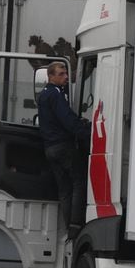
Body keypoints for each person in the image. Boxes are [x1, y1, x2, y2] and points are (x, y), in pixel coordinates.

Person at [37, 60, 86, 234]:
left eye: (66, 73)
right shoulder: (56, 95)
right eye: (61, 74)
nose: (65, 77)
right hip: (63, 146)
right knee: (79, 182)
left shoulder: (44, 94)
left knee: (64, 189)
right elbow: (66, 119)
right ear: (50, 76)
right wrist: (85, 131)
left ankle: (69, 228)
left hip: (49, 148)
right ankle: (76, 224)